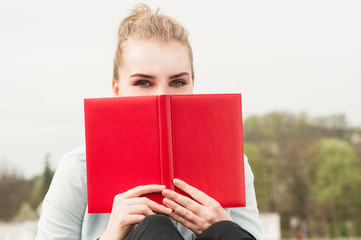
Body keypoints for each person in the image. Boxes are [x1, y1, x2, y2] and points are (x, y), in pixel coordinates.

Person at [36, 4, 262, 240]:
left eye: (177, 82)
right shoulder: (77, 170)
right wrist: (111, 236)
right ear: (117, 90)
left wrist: (223, 228)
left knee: (226, 231)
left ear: (193, 86)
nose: (162, 96)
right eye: (143, 83)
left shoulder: (234, 166)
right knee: (154, 228)